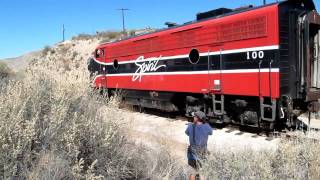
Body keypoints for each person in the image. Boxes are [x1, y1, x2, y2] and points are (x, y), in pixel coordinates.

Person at [185, 111, 213, 180]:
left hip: (192, 154)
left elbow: (187, 133)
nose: (193, 117)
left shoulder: (190, 126)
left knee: (192, 172)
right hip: (202, 153)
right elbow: (211, 132)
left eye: (194, 116)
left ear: (197, 118)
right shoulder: (207, 126)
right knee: (202, 172)